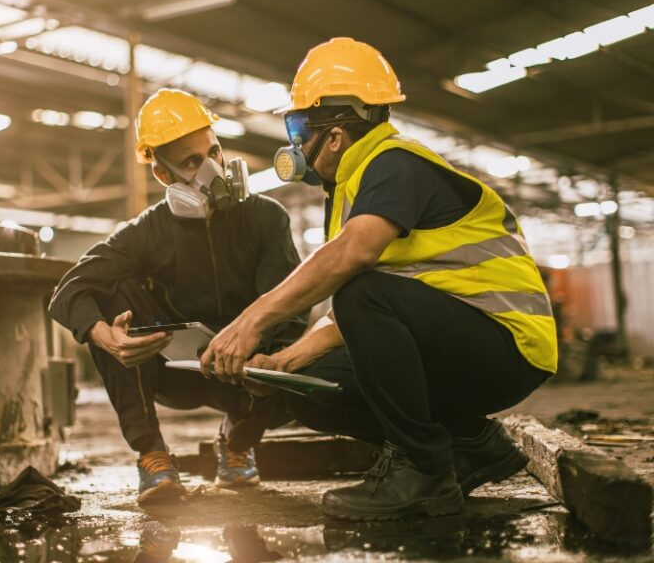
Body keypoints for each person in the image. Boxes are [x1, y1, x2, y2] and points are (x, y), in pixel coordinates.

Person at [201, 38, 557, 521]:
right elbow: (375, 310)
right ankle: (469, 446)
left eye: (299, 126)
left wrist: (252, 321)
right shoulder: (353, 185)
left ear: (335, 135)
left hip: (508, 346)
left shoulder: (393, 162)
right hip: (462, 340)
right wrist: (286, 362)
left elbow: (358, 267)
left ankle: (424, 470)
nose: (295, 143)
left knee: (358, 288)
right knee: (311, 389)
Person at [49, 89, 305, 505]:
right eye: (191, 162)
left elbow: (290, 309)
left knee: (291, 342)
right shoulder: (148, 231)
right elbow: (71, 287)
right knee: (113, 294)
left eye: (214, 152)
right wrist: (104, 335)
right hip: (175, 372)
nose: (212, 169)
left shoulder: (266, 218)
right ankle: (152, 455)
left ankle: (237, 440)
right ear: (163, 175)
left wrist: (266, 354)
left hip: (245, 373)